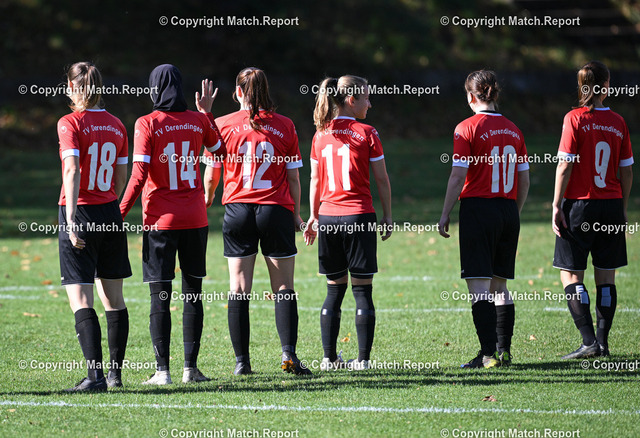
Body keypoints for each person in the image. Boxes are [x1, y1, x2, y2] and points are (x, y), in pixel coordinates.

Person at [120, 64, 225, 384]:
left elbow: (138, 176)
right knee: (193, 293)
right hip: (195, 218)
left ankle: (162, 371)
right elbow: (220, 151)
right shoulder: (198, 120)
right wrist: (206, 113)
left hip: (160, 222)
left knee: (160, 295)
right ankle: (190, 369)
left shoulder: (147, 122)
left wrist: (118, 213)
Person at [203, 67, 310, 376]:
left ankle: (242, 363)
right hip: (275, 209)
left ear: (238, 92)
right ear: (266, 91)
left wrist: (208, 198)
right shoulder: (285, 125)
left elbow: (211, 175)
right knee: (284, 287)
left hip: (238, 210)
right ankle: (288, 355)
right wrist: (296, 214)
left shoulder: (222, 124)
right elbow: (293, 177)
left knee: (238, 288)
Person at [438, 70, 529, 369]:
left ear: (470, 96)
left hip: (479, 210)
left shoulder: (466, 128)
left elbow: (457, 175)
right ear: (495, 94)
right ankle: (504, 351)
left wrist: (445, 212)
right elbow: (524, 179)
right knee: (500, 287)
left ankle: (487, 355)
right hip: (507, 210)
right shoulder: (515, 130)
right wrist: (514, 212)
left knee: (479, 287)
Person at [303, 75, 392, 371]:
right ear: (351, 100)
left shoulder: (320, 134)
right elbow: (382, 179)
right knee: (363, 291)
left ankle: (328, 359)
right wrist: (388, 215)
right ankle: (363, 361)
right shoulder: (367, 132)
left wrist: (314, 215)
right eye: (366, 97)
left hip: (329, 218)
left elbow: (315, 179)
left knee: (333, 290)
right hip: (359, 217)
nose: (370, 103)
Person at [57, 61, 131, 391]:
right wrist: (109, 205)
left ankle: (95, 377)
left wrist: (72, 220)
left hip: (82, 213)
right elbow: (120, 176)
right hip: (109, 211)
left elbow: (72, 170)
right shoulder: (117, 124)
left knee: (81, 298)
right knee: (114, 299)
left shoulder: (69, 122)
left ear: (73, 87)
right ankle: (114, 375)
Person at [552, 61, 633, 359]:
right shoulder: (618, 122)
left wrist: (555, 204)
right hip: (611, 205)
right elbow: (627, 171)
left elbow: (564, 165)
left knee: (571, 276)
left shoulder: (574, 119)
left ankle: (588, 342)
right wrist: (622, 206)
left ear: (581, 86)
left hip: (579, 205)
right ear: (606, 86)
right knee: (606, 278)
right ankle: (603, 343)